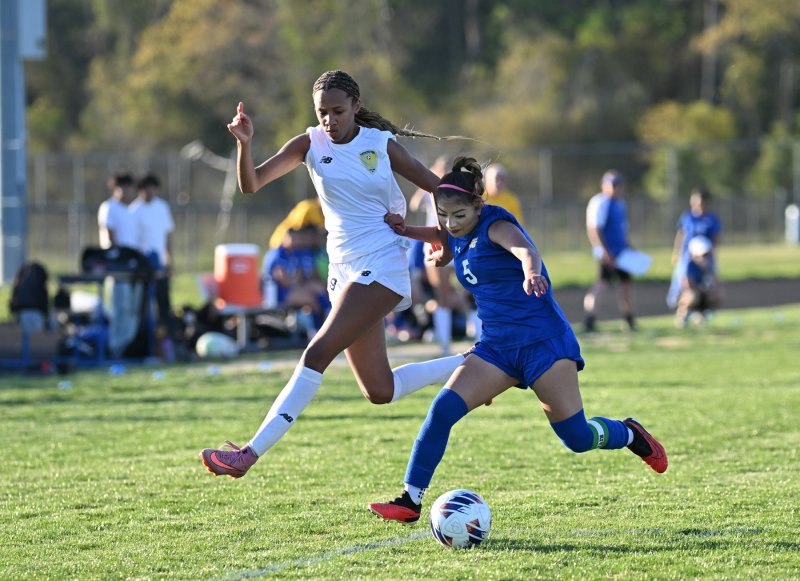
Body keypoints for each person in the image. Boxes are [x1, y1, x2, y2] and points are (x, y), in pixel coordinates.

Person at [369, 157, 667, 524]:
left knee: (577, 438)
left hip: (543, 343)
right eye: (443, 215)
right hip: (496, 349)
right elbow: (441, 236)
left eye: (458, 215)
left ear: (478, 205)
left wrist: (531, 273)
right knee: (442, 410)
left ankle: (629, 434)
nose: (450, 223)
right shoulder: (457, 229)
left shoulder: (495, 223)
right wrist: (407, 230)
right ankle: (410, 500)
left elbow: (526, 250)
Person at [200, 70, 467, 478]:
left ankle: (248, 455)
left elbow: (439, 189)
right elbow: (251, 184)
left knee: (316, 353)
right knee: (380, 390)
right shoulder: (310, 143)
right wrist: (245, 144)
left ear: (356, 107)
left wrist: (444, 238)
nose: (330, 120)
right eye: (322, 112)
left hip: (382, 263)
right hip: (342, 270)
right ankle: (475, 362)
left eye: (338, 111)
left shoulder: (381, 145)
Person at [409, 156, 474, 354]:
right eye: (440, 169)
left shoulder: (455, 190)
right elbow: (414, 205)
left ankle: (478, 332)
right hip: (436, 242)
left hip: (457, 240)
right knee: (442, 293)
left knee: (471, 289)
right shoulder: (429, 189)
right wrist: (426, 184)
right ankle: (444, 343)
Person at [583, 170, 637, 332]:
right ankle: (589, 319)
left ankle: (628, 319)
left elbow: (622, 230)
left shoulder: (620, 204)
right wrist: (604, 252)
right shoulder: (600, 202)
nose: (616, 188)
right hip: (608, 253)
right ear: (604, 185)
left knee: (625, 285)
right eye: (613, 185)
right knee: (601, 284)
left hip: (622, 252)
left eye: (618, 185)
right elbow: (594, 229)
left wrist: (629, 247)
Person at [97, 171, 142, 357]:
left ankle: (127, 346)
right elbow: (111, 235)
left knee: (132, 309)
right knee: (119, 308)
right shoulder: (109, 207)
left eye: (130, 188)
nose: (128, 192)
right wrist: (119, 257)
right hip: (118, 266)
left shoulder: (130, 211)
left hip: (133, 266)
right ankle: (114, 348)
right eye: (124, 188)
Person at [129, 173, 176, 341]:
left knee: (164, 304)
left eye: (153, 188)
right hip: (144, 267)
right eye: (146, 188)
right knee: (142, 307)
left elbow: (166, 237)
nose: (150, 192)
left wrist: (170, 261)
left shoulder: (162, 207)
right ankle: (143, 341)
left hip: (160, 265)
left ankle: (168, 342)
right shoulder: (134, 211)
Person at [666, 187, 722, 310]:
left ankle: (702, 312)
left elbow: (715, 239)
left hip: (705, 258)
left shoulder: (711, 219)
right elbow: (681, 235)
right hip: (688, 256)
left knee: (711, 288)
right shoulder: (687, 217)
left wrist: (710, 256)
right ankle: (678, 304)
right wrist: (676, 253)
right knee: (683, 283)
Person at [675, 236, 723, 327]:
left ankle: (701, 314)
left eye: (707, 254)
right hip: (687, 295)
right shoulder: (689, 266)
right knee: (693, 295)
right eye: (704, 255)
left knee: (716, 294)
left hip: (702, 293)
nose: (706, 257)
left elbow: (717, 282)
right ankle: (683, 314)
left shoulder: (708, 266)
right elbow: (688, 286)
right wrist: (703, 290)